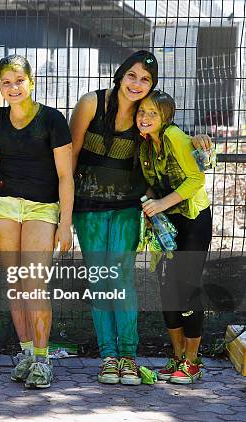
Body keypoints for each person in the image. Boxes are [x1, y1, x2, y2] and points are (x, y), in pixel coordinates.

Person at [0, 55, 73, 389]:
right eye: (6, 82)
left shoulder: (52, 120)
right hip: (5, 207)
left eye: (18, 80)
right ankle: (25, 355)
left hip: (41, 208)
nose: (13, 87)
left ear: (31, 81)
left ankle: (42, 358)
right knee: (15, 283)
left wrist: (64, 224)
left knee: (34, 282)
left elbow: (66, 176)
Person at [70, 50, 159, 385]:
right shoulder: (91, 104)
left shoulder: (147, 113)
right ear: (121, 74)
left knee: (120, 279)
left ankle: (129, 357)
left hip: (126, 207)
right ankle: (108, 356)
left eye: (145, 79)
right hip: (87, 207)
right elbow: (70, 156)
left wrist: (197, 139)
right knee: (98, 279)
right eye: (132, 75)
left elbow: (170, 139)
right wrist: (64, 212)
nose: (137, 84)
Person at [137, 90, 211, 384]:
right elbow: (155, 183)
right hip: (167, 225)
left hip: (193, 220)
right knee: (167, 290)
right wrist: (149, 203)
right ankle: (177, 358)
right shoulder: (145, 145)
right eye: (142, 111)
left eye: (153, 113)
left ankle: (193, 363)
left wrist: (160, 204)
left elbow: (197, 178)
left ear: (166, 118)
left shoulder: (174, 137)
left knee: (187, 289)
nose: (145, 117)